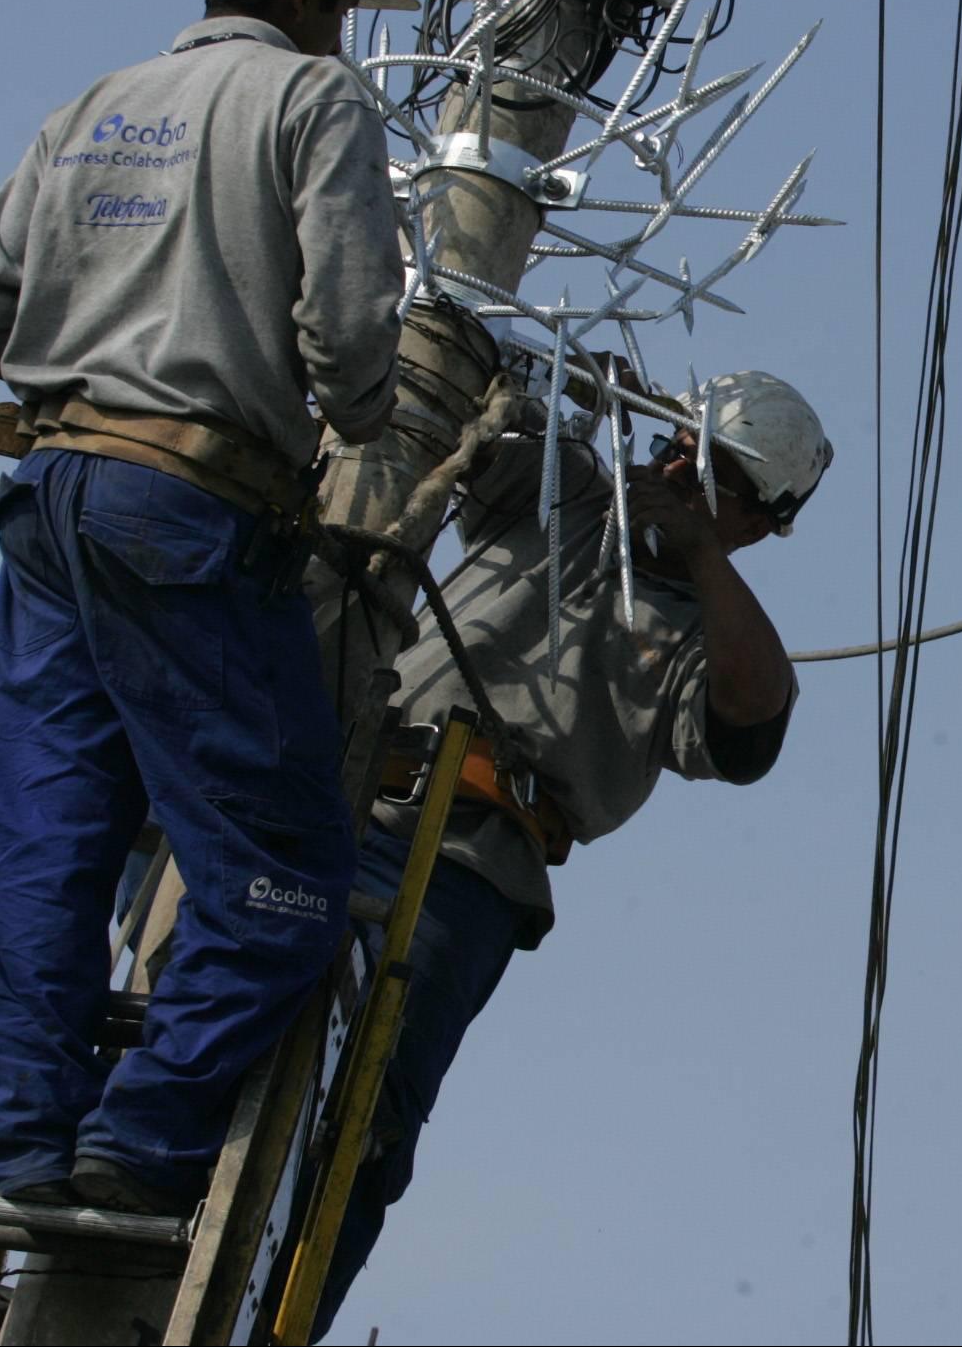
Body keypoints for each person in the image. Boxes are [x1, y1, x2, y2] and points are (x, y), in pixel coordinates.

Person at [0, 0, 421, 1216]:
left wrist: (93, 354)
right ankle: (141, 1142)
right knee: (283, 874)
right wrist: (350, 411)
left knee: (39, 826)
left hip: (50, 501)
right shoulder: (314, 102)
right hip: (190, 514)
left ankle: (29, 1138)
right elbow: (348, 341)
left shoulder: (103, 98)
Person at [311, 363, 832, 1338]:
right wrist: (564, 390)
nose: (674, 464)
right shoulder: (573, 500)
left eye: (706, 464)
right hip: (332, 798)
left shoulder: (692, 637)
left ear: (756, 520)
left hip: (461, 868)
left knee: (361, 1119)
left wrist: (697, 556)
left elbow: (758, 715)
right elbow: (478, 415)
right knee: (203, 1001)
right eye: (672, 440)